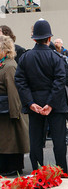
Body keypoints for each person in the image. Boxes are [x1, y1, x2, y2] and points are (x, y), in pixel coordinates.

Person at [14, 19, 68, 173]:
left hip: (35, 104)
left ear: (34, 38)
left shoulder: (25, 57)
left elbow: (20, 81)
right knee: (59, 141)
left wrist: (30, 102)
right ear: (49, 38)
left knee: (36, 141)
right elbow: (60, 80)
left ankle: (37, 173)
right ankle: (61, 172)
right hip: (56, 105)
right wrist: (50, 103)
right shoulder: (56, 57)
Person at [0, 35, 29, 176]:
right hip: (4, 110)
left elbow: (13, 92)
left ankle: (12, 167)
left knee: (12, 141)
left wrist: (14, 112)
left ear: (4, 50)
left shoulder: (9, 66)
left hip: (9, 110)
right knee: (7, 142)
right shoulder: (4, 64)